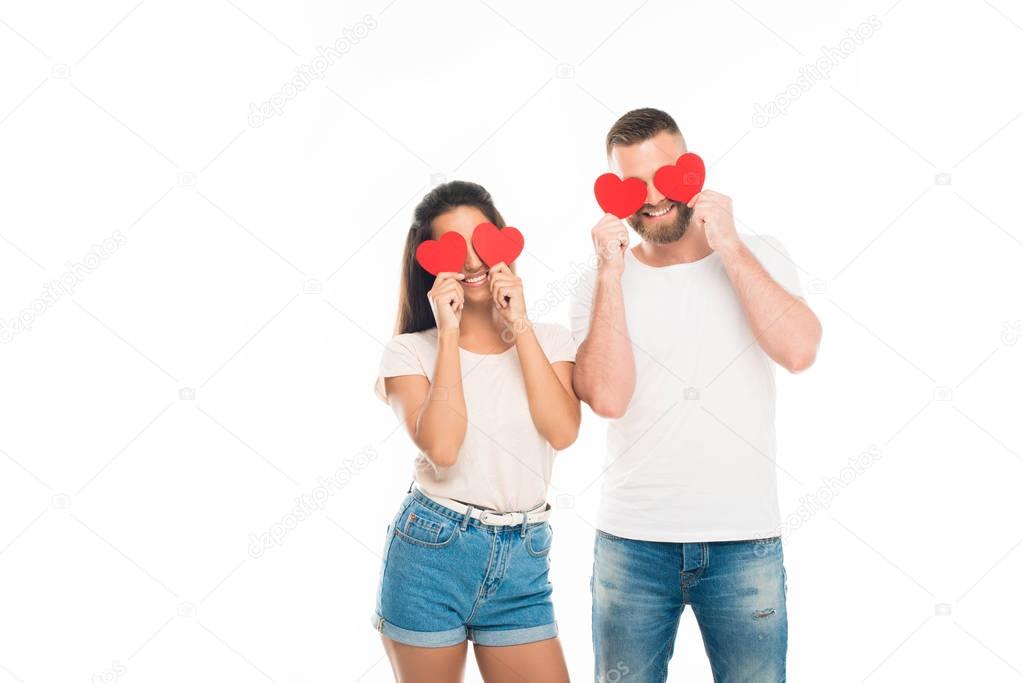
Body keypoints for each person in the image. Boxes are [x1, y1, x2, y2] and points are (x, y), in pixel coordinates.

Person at [572, 108, 823, 682]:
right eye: (632, 184)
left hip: (744, 541)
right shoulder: (598, 280)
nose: (653, 198)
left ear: (691, 170)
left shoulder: (761, 252)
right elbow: (607, 398)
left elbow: (800, 351)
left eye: (664, 176)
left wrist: (729, 246)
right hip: (633, 544)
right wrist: (611, 275)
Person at [373, 180, 580, 682]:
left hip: (524, 562)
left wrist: (520, 324)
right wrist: (448, 335)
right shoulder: (410, 352)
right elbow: (443, 448)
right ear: (430, 264)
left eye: (482, 243)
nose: (471, 263)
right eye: (454, 251)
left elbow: (563, 430)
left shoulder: (550, 339)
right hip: (431, 556)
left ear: (505, 242)